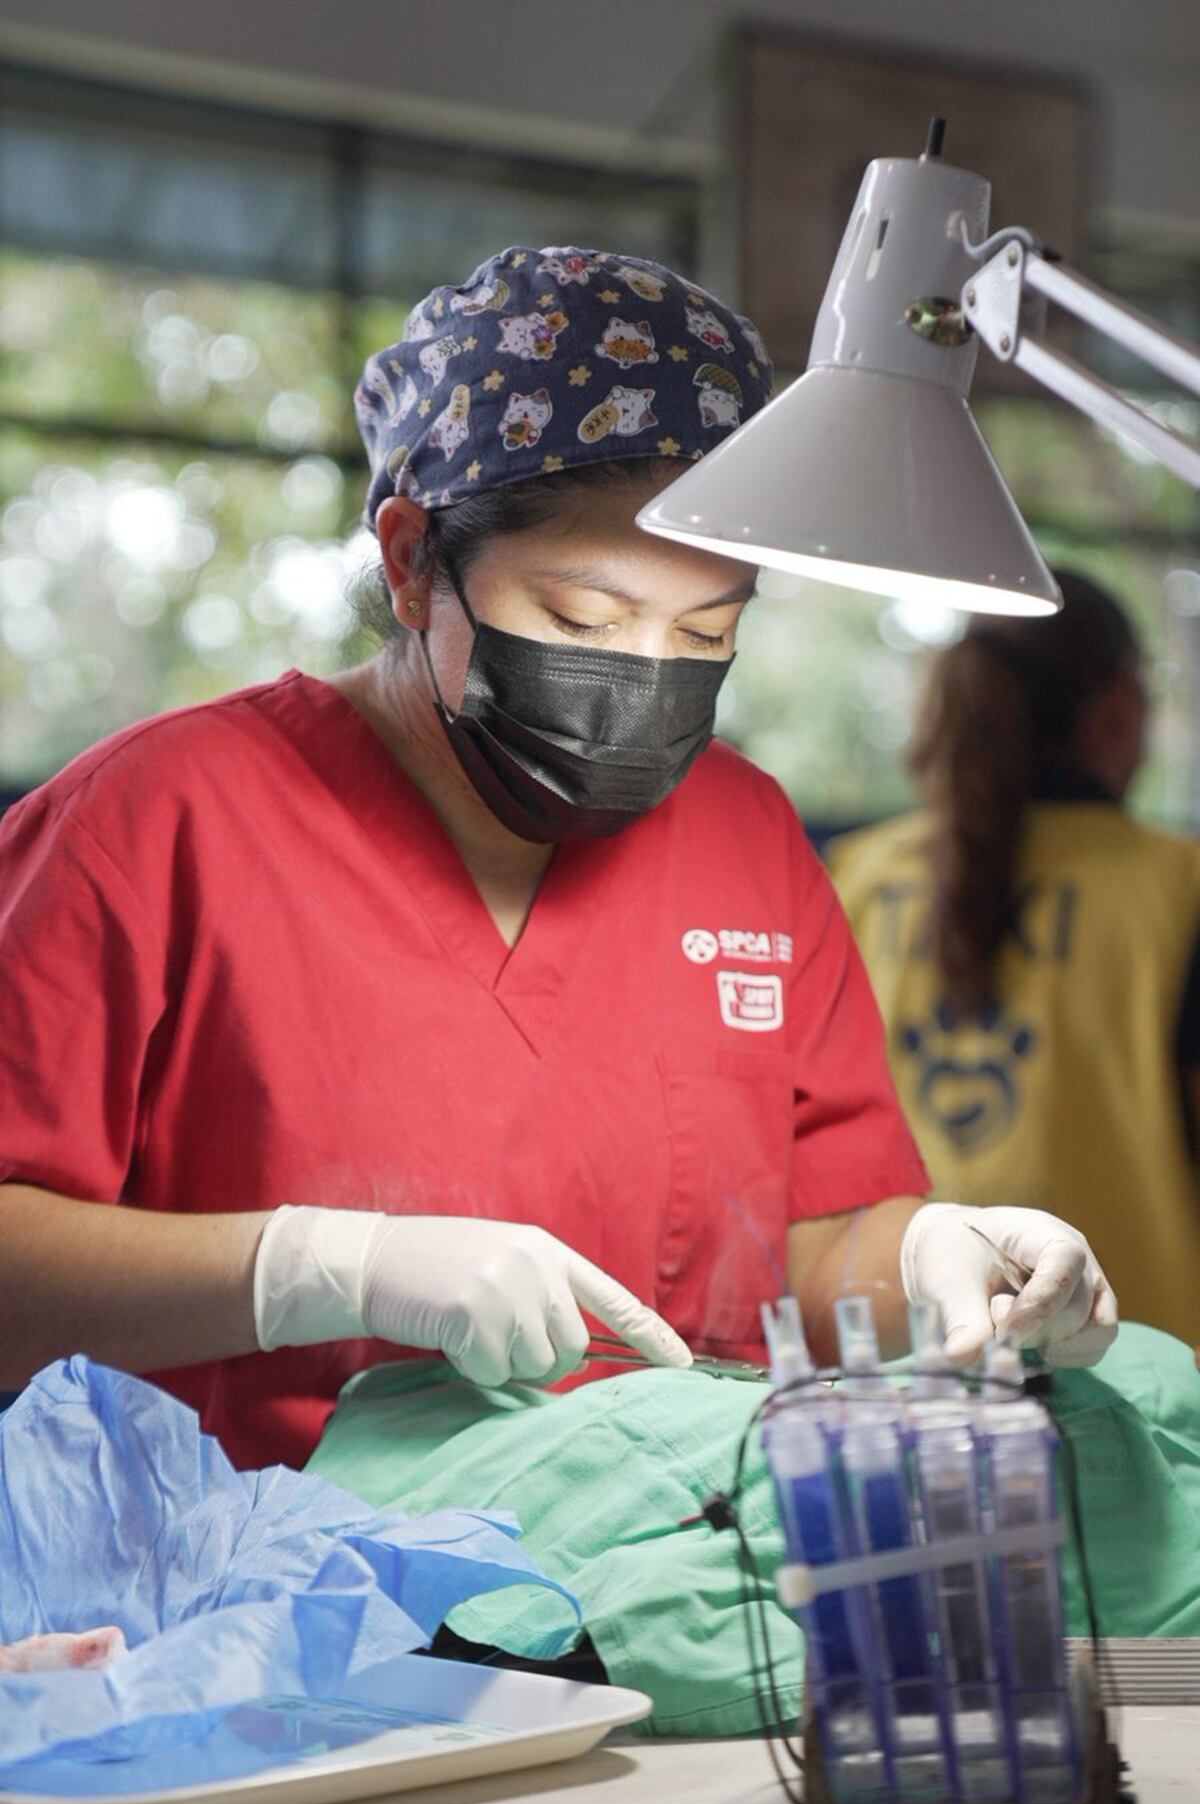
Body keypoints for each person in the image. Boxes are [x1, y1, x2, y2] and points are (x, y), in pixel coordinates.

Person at [0, 246, 1115, 1468]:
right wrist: (321, 1268)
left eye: (706, 628)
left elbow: (803, 1251)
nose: (642, 673)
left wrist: (933, 1258)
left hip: (649, 1576)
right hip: (266, 1601)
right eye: (581, 620)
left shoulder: (744, 842)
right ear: (414, 561)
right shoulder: (155, 822)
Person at [829, 571, 1200, 1345]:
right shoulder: (1179, 888)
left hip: (907, 1358)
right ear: (1118, 711)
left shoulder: (858, 874)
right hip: (1138, 1377)